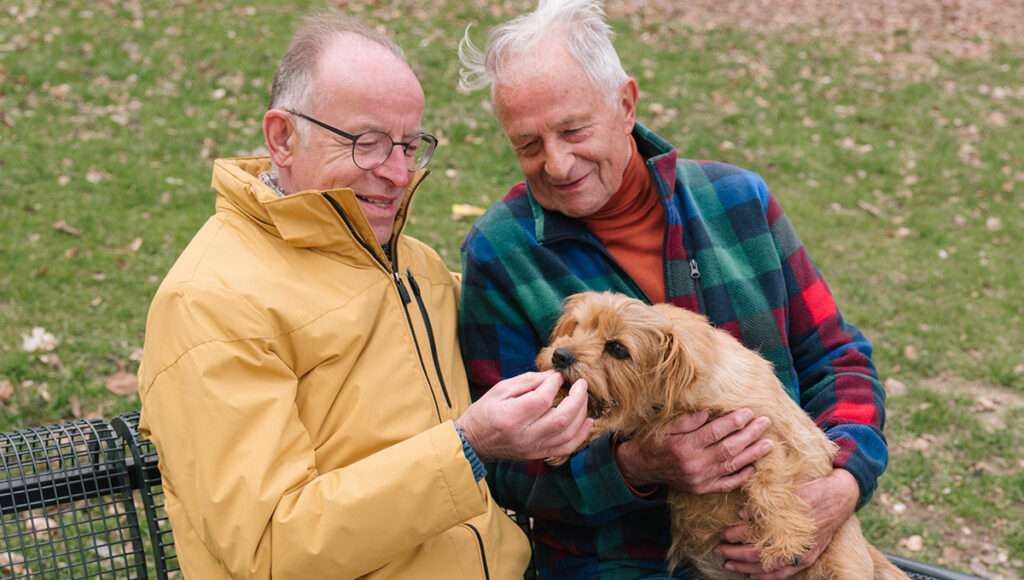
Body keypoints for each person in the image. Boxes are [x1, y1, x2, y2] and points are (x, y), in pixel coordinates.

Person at [137, 11, 594, 579]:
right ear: (282, 137)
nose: (399, 174)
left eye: (409, 144)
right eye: (368, 143)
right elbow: (270, 547)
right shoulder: (211, 304)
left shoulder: (415, 266)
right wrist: (468, 446)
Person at [457, 1, 889, 578]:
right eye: (528, 144)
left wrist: (841, 484)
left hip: (791, 529)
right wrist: (635, 467)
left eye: (573, 130)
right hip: (620, 563)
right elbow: (506, 469)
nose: (556, 164)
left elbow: (836, 359)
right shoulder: (501, 253)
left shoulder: (739, 201)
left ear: (626, 104)